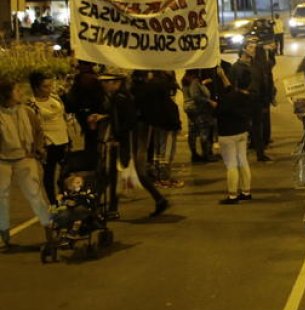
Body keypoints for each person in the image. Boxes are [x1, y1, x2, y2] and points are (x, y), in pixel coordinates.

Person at [89, 72, 169, 219]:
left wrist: (118, 137)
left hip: (125, 142)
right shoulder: (119, 97)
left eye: (107, 82)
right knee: (115, 173)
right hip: (124, 141)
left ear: (117, 82)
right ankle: (104, 207)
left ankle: (106, 208)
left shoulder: (121, 98)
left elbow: (129, 121)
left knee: (118, 173)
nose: (104, 85)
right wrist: (104, 117)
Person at [0, 79, 54, 250]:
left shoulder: (27, 112)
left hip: (25, 157)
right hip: (2, 161)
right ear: (6, 94)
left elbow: (38, 131)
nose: (20, 93)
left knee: (35, 195)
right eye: (16, 90)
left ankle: (50, 231)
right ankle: (4, 236)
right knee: (2, 198)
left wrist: (38, 149)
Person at [214, 73, 256, 204]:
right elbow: (230, 89)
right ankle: (246, 192)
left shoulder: (229, 98)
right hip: (242, 132)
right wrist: (223, 76)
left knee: (231, 164)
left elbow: (217, 112)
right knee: (243, 161)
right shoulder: (249, 97)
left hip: (228, 134)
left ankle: (233, 195)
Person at [28, 71, 70, 202]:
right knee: (49, 173)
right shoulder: (31, 104)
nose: (49, 89)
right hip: (48, 143)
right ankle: (53, 202)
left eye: (50, 85)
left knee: (67, 172)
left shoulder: (55, 98)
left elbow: (63, 116)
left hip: (63, 139)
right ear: (36, 88)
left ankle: (66, 196)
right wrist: (39, 146)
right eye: (45, 86)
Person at [183, 69, 218, 163]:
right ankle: (205, 155)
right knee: (204, 131)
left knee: (193, 132)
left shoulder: (187, 81)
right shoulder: (195, 82)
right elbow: (196, 95)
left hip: (190, 108)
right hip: (198, 109)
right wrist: (209, 101)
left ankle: (195, 155)